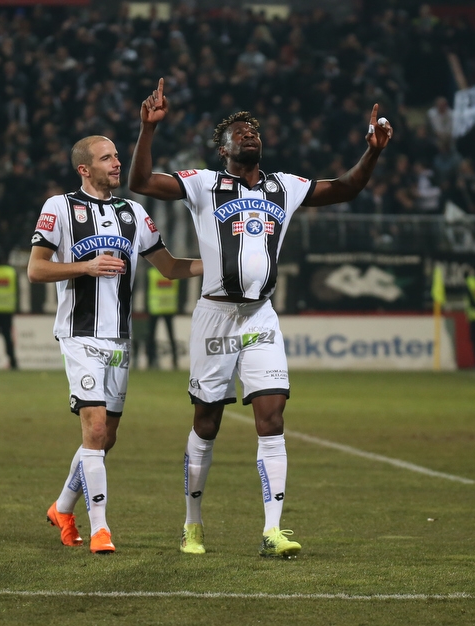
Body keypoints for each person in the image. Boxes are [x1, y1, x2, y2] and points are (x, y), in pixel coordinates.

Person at [129, 78, 393, 557]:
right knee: (207, 422)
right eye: (239, 132)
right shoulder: (204, 184)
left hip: (260, 317)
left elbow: (349, 187)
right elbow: (141, 183)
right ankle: (192, 523)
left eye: (254, 131)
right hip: (215, 316)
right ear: (222, 148)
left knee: (271, 416)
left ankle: (273, 529)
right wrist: (147, 130)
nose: (250, 134)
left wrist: (371, 151)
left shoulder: (284, 186)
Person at [28, 134, 202, 554]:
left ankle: (63, 506)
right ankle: (101, 528)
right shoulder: (60, 207)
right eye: (107, 158)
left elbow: (170, 268)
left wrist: (217, 264)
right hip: (80, 334)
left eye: (117, 156)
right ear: (84, 169)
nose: (117, 163)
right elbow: (36, 269)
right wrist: (85, 266)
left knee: (106, 439)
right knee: (96, 427)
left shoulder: (134, 213)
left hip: (119, 339)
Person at [145, 264, 180, 370]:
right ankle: (175, 360)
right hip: (169, 307)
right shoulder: (173, 272)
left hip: (154, 308)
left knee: (151, 336)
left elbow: (146, 289)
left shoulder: (151, 273)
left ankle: (150, 361)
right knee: (171, 336)